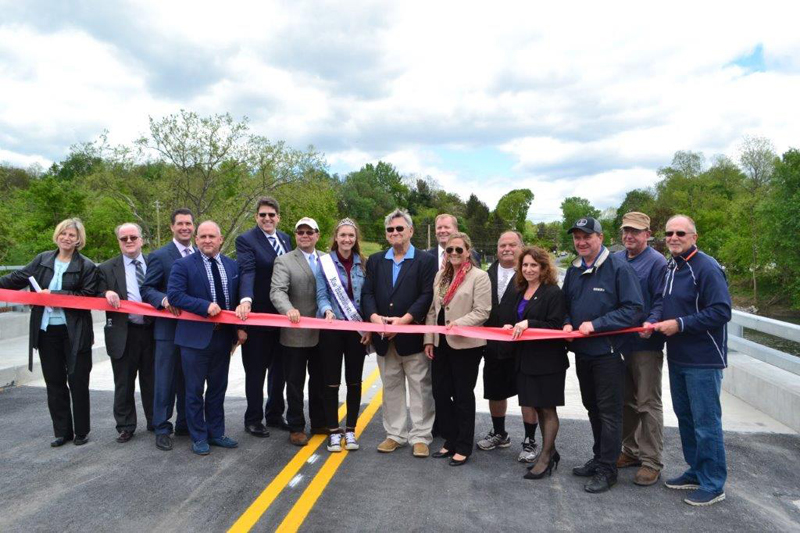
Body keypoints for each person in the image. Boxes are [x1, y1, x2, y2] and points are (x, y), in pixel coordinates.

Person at [562, 216, 644, 493]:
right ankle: (599, 458)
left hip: (609, 353)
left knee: (609, 412)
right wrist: (566, 322)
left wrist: (597, 325)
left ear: (600, 237)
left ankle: (609, 469)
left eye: (587, 236)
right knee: (592, 408)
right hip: (583, 353)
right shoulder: (574, 271)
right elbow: (565, 305)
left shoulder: (619, 268)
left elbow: (634, 309)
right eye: (577, 237)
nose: (581, 242)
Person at [653, 215, 731, 507]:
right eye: (669, 233)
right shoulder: (673, 266)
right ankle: (696, 470)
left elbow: (721, 311)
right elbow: (663, 303)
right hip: (678, 357)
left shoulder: (706, 267)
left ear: (694, 237)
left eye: (680, 233)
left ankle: (713, 483)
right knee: (686, 418)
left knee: (706, 423)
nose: (673, 237)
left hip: (703, 359)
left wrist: (680, 324)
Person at [0, 218, 98, 447]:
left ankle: (81, 432)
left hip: (75, 332)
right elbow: (16, 278)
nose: (67, 238)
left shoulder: (86, 265)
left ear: (79, 239)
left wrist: (53, 294)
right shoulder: (42, 259)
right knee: (54, 383)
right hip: (46, 332)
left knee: (78, 381)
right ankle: (62, 431)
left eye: (72, 235)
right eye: (63, 233)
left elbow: (88, 296)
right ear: (57, 235)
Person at [362, 208, 437, 458]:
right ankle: (395, 434)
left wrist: (404, 322)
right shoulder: (375, 261)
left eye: (399, 228)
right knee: (391, 387)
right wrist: (376, 321)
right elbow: (367, 294)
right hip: (384, 338)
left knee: (420, 388)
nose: (394, 233)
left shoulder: (426, 261)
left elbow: (427, 295)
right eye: (390, 229)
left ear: (411, 231)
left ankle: (421, 436)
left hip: (412, 338)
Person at [167, 221, 245, 455]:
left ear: (221, 239)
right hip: (193, 339)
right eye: (203, 237)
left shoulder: (232, 266)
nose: (207, 240)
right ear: (197, 239)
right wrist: (204, 306)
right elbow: (174, 295)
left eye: (212, 236)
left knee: (217, 389)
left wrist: (238, 329)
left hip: (223, 338)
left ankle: (216, 432)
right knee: (193, 390)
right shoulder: (183, 265)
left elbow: (236, 299)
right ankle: (198, 436)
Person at [423, 232, 491, 466]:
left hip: (466, 345)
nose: (453, 253)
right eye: (450, 250)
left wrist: (458, 324)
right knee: (440, 393)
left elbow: (482, 312)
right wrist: (429, 339)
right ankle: (450, 440)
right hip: (441, 343)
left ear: (468, 252)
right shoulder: (440, 275)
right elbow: (433, 310)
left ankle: (463, 445)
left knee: (462, 395)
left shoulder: (479, 277)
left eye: (458, 250)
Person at [502, 247, 567, 480]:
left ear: (543, 268)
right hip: (526, 359)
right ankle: (550, 451)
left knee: (548, 408)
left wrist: (530, 322)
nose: (528, 269)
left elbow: (556, 326)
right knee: (537, 407)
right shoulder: (521, 290)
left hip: (548, 362)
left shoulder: (552, 292)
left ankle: (547, 456)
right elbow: (517, 319)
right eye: (525, 265)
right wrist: (513, 325)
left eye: (533, 265)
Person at [477, 230, 542, 464]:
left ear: (521, 246)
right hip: (493, 345)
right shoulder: (486, 273)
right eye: (502, 244)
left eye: (512, 245)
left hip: (522, 346)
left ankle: (529, 440)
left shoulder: (529, 274)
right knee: (495, 391)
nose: (506, 249)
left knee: (527, 394)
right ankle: (499, 433)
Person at [615, 212, 668, 486]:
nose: (629, 236)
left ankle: (651, 461)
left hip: (646, 344)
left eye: (635, 231)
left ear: (648, 234)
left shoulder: (657, 263)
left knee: (647, 402)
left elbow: (661, 299)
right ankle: (630, 450)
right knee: (626, 401)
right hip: (619, 342)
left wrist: (652, 321)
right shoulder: (616, 259)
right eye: (626, 231)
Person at [235, 197, 293, 438]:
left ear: (278, 217)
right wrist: (246, 299)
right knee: (256, 372)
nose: (267, 219)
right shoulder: (246, 240)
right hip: (258, 317)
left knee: (280, 371)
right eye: (262, 215)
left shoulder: (286, 239)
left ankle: (275, 414)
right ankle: (253, 418)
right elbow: (247, 271)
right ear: (256, 217)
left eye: (271, 215)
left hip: (284, 318)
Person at [315, 218, 371, 452]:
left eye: (351, 236)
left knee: (355, 381)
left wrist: (368, 326)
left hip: (356, 330)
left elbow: (368, 298)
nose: (347, 239)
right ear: (335, 238)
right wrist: (326, 309)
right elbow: (321, 294)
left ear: (356, 239)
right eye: (343, 235)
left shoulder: (364, 264)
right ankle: (333, 432)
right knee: (331, 382)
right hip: (333, 328)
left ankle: (351, 430)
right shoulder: (324, 263)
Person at [141, 208, 194, 451]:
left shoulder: (199, 254)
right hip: (167, 331)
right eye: (180, 223)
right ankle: (162, 427)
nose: (185, 227)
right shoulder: (160, 256)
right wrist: (164, 300)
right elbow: (147, 289)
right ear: (172, 227)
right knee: (164, 382)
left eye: (189, 223)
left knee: (189, 380)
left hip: (194, 331)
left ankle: (185, 424)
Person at [270, 217, 326, 446]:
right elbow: (277, 292)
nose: (305, 235)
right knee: (294, 383)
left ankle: (320, 421)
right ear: (295, 235)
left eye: (309, 232)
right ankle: (296, 426)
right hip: (295, 333)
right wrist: (289, 309)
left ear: (317, 235)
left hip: (323, 333)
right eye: (300, 232)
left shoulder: (326, 259)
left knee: (320, 381)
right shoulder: (283, 260)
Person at [97, 223, 155, 443]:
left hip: (152, 331)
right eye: (124, 239)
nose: (129, 241)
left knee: (153, 381)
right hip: (124, 333)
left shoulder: (154, 262)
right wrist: (106, 291)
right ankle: (125, 426)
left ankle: (155, 421)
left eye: (133, 237)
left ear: (141, 239)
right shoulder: (106, 268)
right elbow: (94, 289)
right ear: (118, 242)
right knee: (124, 383)